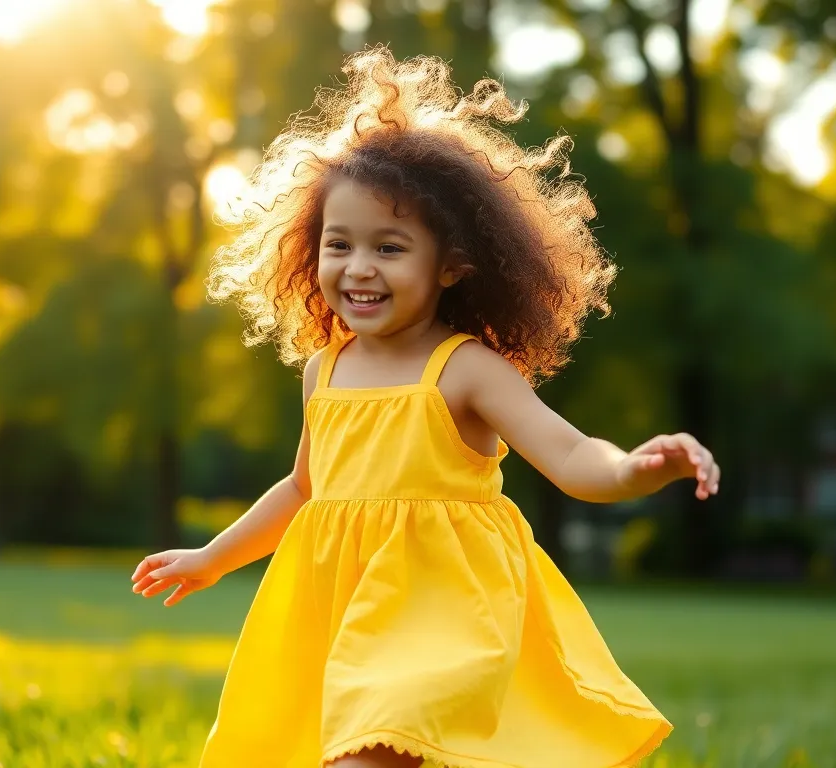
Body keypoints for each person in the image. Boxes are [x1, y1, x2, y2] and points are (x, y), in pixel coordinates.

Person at [131, 46, 720, 768]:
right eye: (338, 244)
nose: (359, 267)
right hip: (339, 609)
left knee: (370, 754)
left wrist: (633, 469)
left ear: (451, 267)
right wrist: (212, 558)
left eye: (391, 247)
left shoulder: (465, 370)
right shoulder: (326, 371)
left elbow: (568, 454)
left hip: (441, 612)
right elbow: (304, 489)